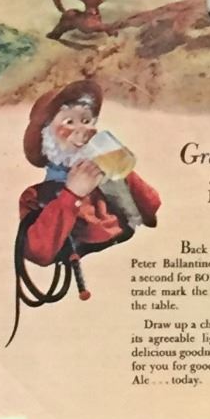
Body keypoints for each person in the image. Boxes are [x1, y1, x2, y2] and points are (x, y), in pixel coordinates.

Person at [15, 79, 160, 276]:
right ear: (46, 136)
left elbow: (151, 207)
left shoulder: (105, 176)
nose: (85, 131)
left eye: (86, 121)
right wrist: (72, 194)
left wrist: (119, 167)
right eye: (69, 122)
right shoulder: (36, 196)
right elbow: (38, 253)